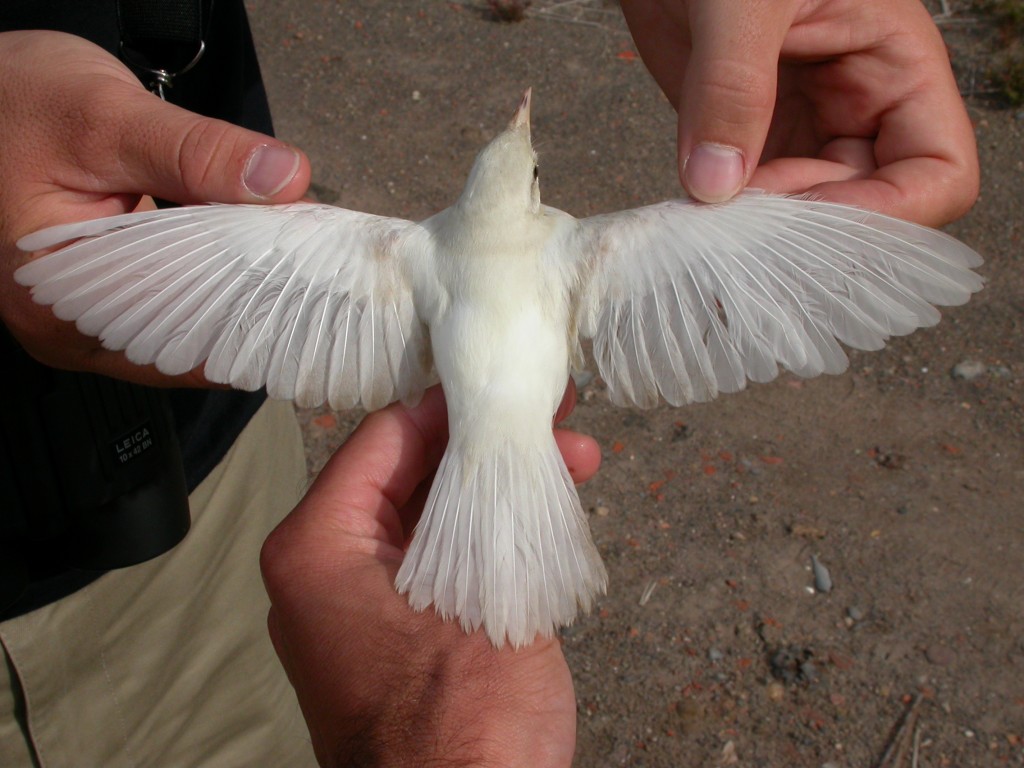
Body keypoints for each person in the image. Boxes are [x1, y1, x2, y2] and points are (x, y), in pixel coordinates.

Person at [0, 1, 978, 766]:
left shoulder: (385, 250)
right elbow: (753, 246)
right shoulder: (609, 247)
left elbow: (224, 262)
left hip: (230, 455)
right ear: (533, 194)